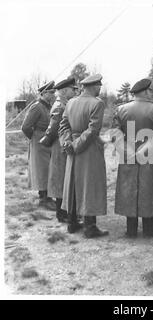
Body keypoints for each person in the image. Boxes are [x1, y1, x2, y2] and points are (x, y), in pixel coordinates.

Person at [111, 78, 153, 238]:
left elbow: (115, 134)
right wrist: (143, 151)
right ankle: (151, 230)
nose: (152, 93)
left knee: (129, 189)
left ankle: (131, 230)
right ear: (145, 91)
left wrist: (129, 152)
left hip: (128, 155)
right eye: (150, 90)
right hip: (150, 156)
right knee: (150, 189)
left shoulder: (120, 109)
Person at [59, 74, 109, 238]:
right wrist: (75, 146)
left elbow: (64, 125)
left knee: (73, 183)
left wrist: (67, 143)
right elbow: (93, 129)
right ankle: (90, 227)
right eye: (99, 87)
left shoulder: (71, 102)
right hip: (88, 149)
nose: (99, 89)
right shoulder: (97, 103)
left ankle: (72, 223)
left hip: (72, 149)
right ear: (94, 87)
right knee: (89, 185)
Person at [39, 77, 78, 223]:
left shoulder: (63, 104)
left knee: (63, 178)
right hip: (60, 145)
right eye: (73, 90)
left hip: (62, 143)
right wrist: (47, 140)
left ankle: (64, 211)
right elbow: (53, 128)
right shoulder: (60, 106)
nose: (75, 92)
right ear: (65, 90)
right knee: (61, 179)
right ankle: (62, 213)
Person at [21, 81, 56, 210]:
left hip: (48, 142)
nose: (53, 94)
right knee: (41, 170)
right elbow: (25, 127)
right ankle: (44, 198)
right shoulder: (37, 106)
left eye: (54, 92)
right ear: (43, 93)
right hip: (39, 143)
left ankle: (48, 197)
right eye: (51, 92)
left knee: (48, 170)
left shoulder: (48, 106)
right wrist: (35, 138)